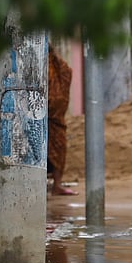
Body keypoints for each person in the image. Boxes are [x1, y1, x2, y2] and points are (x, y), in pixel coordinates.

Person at [47, 44, 77, 196]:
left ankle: (57, 185)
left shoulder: (57, 67)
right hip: (38, 115)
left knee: (58, 150)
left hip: (54, 117)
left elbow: (58, 92)